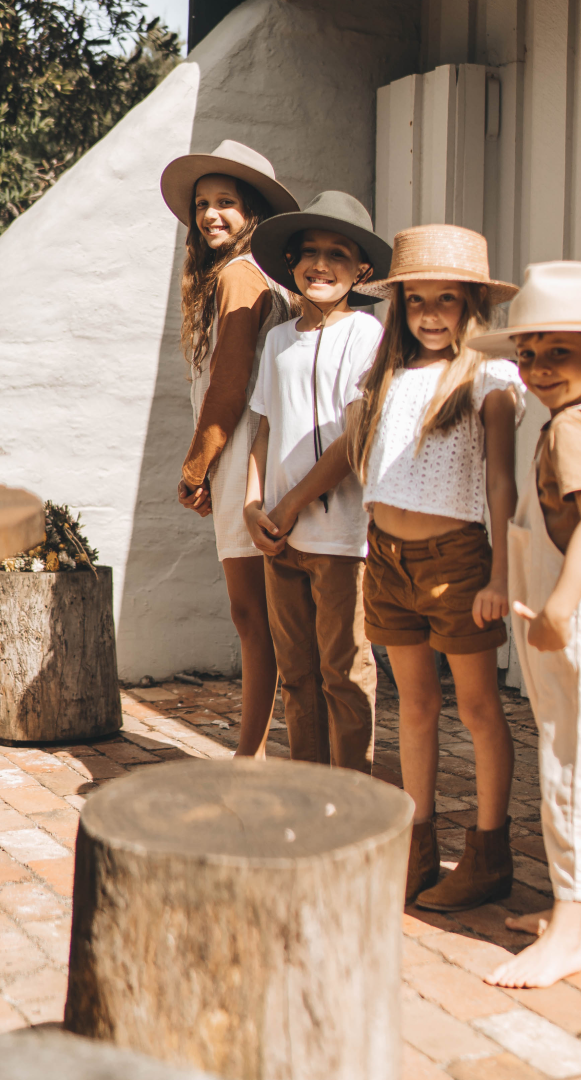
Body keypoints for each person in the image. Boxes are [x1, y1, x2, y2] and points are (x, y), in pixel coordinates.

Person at [467, 262, 581, 987]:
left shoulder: (572, 429)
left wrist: (561, 606)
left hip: (580, 618)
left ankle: (569, 929)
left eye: (558, 353)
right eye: (529, 354)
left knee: (572, 767)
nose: (538, 369)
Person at [349, 224, 524, 911]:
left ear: (472, 304)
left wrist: (500, 576)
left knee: (479, 707)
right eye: (416, 301)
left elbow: (502, 485)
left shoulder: (489, 376)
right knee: (414, 705)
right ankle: (417, 847)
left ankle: (488, 855)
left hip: (457, 559)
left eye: (445, 300)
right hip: (387, 557)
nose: (428, 315)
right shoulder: (390, 373)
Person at [243, 192, 392, 772]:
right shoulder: (279, 339)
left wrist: (291, 504)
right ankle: (306, 791)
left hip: (339, 540)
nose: (321, 264)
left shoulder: (367, 337)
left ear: (362, 270)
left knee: (344, 672)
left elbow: (354, 441)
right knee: (296, 673)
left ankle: (353, 797)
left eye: (337, 253)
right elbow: (264, 429)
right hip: (279, 538)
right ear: (291, 264)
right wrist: (255, 505)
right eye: (309, 252)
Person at [160, 140, 299, 758]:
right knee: (267, 616)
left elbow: (229, 383)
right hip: (252, 454)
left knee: (253, 616)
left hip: (244, 452)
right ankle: (259, 749)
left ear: (253, 215)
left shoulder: (241, 276)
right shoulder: (249, 274)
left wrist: (197, 468)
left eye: (227, 203)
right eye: (203, 204)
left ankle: (251, 754)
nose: (211, 215)